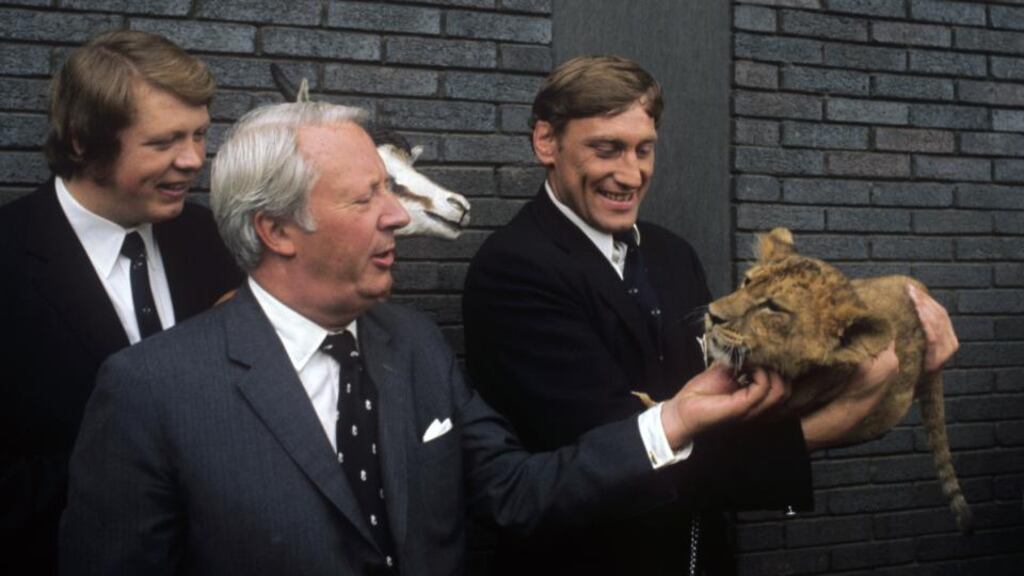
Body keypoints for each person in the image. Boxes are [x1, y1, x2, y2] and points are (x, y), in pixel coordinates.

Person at [59, 101, 826, 575]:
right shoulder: (151, 392)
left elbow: (518, 493)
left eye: (392, 191)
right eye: (368, 197)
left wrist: (676, 420)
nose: (398, 216)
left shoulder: (414, 347)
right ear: (277, 229)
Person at [462, 55, 959, 575]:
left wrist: (896, 352)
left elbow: (735, 390)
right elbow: (612, 462)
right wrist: (830, 425)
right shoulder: (513, 270)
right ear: (547, 142)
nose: (631, 174)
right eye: (606, 149)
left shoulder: (673, 254)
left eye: (643, 149)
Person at [0, 30, 241, 574]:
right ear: (82, 141)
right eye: (163, 142)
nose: (193, 160)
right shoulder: (9, 259)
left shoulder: (210, 239)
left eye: (200, 134)